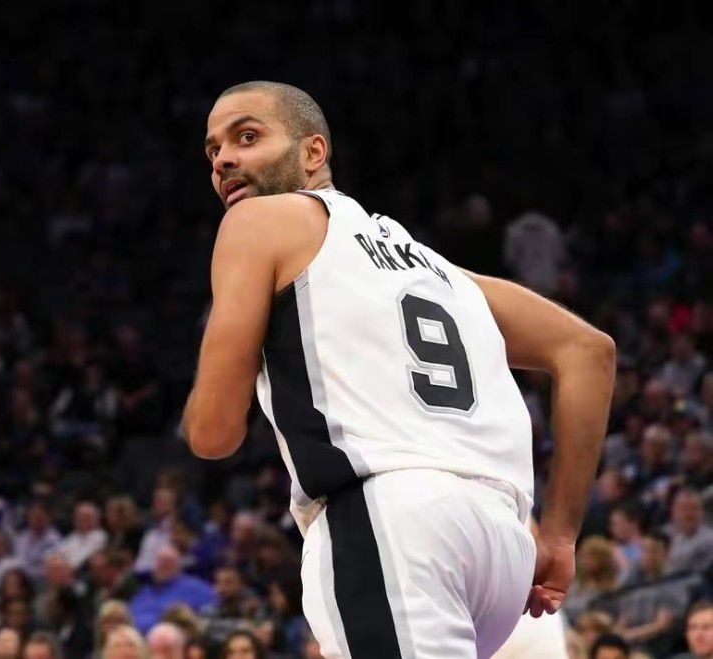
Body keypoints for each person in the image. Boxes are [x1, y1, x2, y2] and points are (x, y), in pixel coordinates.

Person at [182, 80, 617, 658]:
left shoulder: (258, 223)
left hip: (395, 523)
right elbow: (589, 351)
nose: (225, 159)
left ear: (314, 152)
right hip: (504, 548)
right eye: (213, 151)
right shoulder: (439, 271)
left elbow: (214, 433)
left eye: (247, 136)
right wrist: (560, 534)